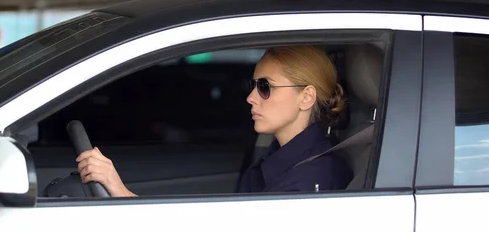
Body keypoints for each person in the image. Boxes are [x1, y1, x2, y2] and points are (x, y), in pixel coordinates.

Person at [76, 45, 353, 197]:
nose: (251, 97)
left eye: (265, 87)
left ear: (306, 98)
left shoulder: (309, 181)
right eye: (253, 85)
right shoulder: (282, 159)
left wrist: (120, 191)